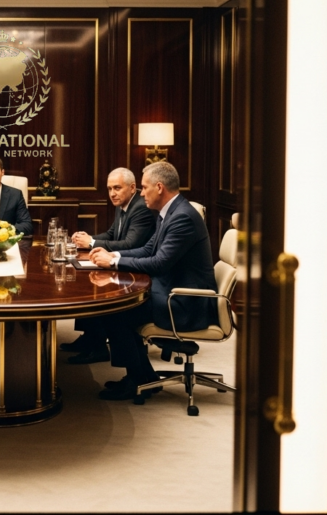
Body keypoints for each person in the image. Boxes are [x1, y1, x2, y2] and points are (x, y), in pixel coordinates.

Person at [76, 161, 217, 400]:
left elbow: (159, 262)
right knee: (117, 308)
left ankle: (137, 379)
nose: (141, 193)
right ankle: (143, 376)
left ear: (159, 187)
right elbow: (148, 249)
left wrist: (113, 263)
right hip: (170, 290)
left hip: (185, 302)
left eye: (143, 187)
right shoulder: (169, 212)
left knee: (116, 312)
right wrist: (114, 255)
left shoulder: (182, 217)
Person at [62, 167, 158, 364]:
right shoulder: (122, 204)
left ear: (133, 188)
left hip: (135, 270)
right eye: (109, 189)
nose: (112, 193)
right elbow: (111, 235)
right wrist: (85, 240)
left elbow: (131, 244)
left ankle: (97, 347)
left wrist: (91, 244)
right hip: (126, 263)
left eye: (117, 188)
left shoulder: (141, 208)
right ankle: (90, 339)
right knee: (88, 282)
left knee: (98, 290)